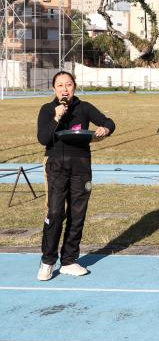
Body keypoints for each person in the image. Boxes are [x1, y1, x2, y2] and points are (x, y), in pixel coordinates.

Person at [36, 71, 114, 281]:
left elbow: (109, 121)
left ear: (74, 87)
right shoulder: (47, 110)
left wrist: (105, 129)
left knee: (77, 214)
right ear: (54, 89)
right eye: (60, 85)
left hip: (81, 165)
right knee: (55, 213)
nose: (64, 89)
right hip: (55, 164)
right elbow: (43, 138)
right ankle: (47, 261)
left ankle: (69, 260)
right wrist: (56, 116)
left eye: (68, 84)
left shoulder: (84, 107)